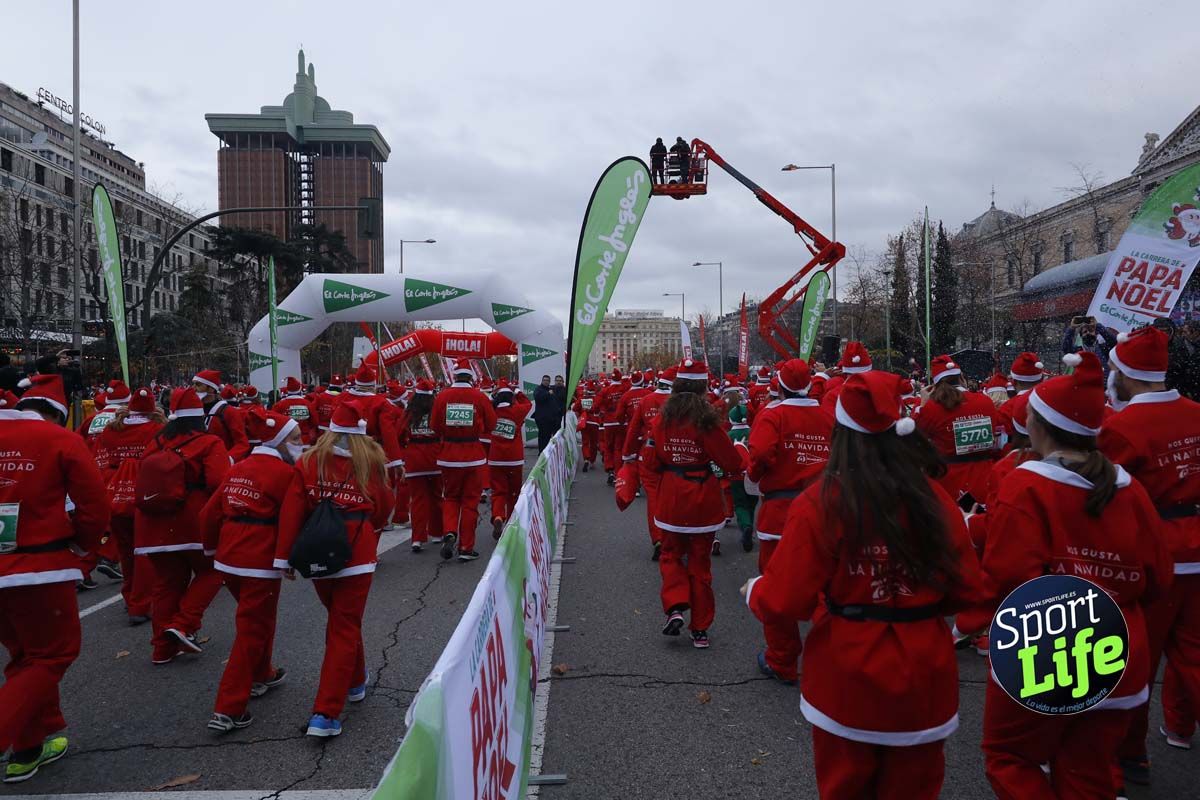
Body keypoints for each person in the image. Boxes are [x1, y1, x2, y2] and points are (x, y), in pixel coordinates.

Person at [743, 370, 984, 800]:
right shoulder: (934, 498)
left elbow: (784, 600)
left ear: (842, 433)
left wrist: (754, 591)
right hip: (924, 675)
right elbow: (969, 589)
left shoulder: (823, 502)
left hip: (847, 674)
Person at [952, 351, 1173, 799]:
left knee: (1010, 758)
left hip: (1047, 647)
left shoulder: (1025, 485)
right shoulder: (1129, 488)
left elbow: (1007, 576)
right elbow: (1158, 576)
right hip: (1119, 647)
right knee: (1090, 772)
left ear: (1039, 425)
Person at [1099, 326, 1200, 783]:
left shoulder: (1121, 427)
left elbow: (1106, 496)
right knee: (1194, 654)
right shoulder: (1197, 413)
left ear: (1125, 373)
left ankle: (1131, 755)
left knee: (1138, 661)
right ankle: (1180, 727)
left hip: (1155, 556)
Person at [0, 377, 109, 783]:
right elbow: (94, 503)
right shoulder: (56, 439)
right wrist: (84, 547)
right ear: (58, 413)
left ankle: (28, 749)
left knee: (25, 657)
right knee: (52, 655)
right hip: (39, 570)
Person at [277, 401, 393, 738]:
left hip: (317, 552)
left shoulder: (310, 461)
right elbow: (385, 507)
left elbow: (293, 508)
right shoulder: (371, 461)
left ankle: (355, 681)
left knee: (341, 621)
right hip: (355, 553)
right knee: (344, 626)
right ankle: (325, 713)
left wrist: (284, 556)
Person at [200, 407, 302, 733]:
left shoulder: (238, 468)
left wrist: (211, 549)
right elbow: (294, 519)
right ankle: (229, 708)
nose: (303, 443)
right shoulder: (286, 475)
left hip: (228, 558)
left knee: (258, 618)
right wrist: (288, 559)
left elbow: (208, 514)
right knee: (251, 630)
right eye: (297, 438)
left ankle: (262, 674)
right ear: (280, 442)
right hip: (260, 560)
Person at [743, 359, 834, 684]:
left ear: (779, 386)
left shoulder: (773, 415)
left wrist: (755, 475)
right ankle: (833, 656)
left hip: (780, 513)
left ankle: (782, 660)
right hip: (825, 508)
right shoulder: (828, 414)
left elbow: (761, 453)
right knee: (828, 586)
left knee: (776, 584)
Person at [649, 358, 743, 649]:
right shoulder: (708, 422)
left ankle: (675, 605)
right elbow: (731, 462)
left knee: (670, 555)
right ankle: (700, 629)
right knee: (700, 562)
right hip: (702, 496)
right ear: (704, 387)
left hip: (673, 497)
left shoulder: (661, 419)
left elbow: (653, 461)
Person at [134, 387, 231, 664]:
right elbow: (219, 482)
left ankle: (162, 649)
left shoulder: (156, 442)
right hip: (193, 523)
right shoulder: (210, 443)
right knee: (212, 571)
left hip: (153, 525)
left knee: (166, 584)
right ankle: (184, 623)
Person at [90, 387, 162, 624]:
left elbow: (100, 458)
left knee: (125, 550)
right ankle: (141, 604)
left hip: (116, 495)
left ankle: (130, 595)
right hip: (146, 496)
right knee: (145, 552)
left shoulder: (111, 429)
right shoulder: (158, 430)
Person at [430, 360, 496, 562]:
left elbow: (434, 426)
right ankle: (466, 547)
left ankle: (449, 532)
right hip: (473, 457)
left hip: (448, 456)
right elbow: (492, 424)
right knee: (470, 502)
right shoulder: (479, 396)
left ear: (455, 375)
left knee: (450, 498)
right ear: (471, 377)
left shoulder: (442, 396)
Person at [915, 355, 1000, 503]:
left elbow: (914, 435)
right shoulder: (985, 402)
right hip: (985, 480)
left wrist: (922, 404)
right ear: (961, 376)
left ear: (934, 385)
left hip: (949, 484)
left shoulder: (932, 408)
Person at [622, 369, 674, 560]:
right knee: (674, 496)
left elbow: (633, 428)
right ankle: (674, 537)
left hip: (649, 454)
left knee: (653, 498)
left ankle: (658, 539)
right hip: (674, 456)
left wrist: (628, 454)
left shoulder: (646, 400)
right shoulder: (680, 402)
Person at [399, 379, 443, 552]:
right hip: (435, 458)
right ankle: (438, 533)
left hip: (414, 460)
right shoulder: (437, 411)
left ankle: (417, 538)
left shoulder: (409, 413)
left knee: (417, 500)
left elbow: (399, 434)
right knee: (437, 498)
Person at [487, 381, 533, 540]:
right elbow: (528, 404)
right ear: (511, 397)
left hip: (495, 458)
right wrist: (518, 392)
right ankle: (512, 524)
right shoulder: (518, 410)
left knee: (498, 491)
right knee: (513, 493)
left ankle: (498, 516)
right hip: (514, 458)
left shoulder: (491, 411)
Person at [192, 370, 250, 462]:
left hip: (221, 464)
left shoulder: (228, 411)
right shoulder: (194, 409)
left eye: (198, 385)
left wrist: (227, 459)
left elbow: (242, 443)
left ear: (211, 388)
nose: (193, 388)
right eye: (193, 384)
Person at [272, 376, 318, 445]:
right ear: (300, 389)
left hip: (285, 440)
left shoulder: (279, 405)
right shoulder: (307, 404)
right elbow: (315, 422)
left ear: (287, 390)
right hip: (304, 440)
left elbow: (274, 423)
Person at [532, 374, 563, 453]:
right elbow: (538, 398)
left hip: (551, 419)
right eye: (544, 380)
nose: (546, 382)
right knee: (543, 437)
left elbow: (554, 403)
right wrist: (547, 394)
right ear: (542, 381)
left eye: (547, 380)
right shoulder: (539, 389)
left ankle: (547, 453)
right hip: (542, 419)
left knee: (549, 438)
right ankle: (541, 453)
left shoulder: (550, 389)